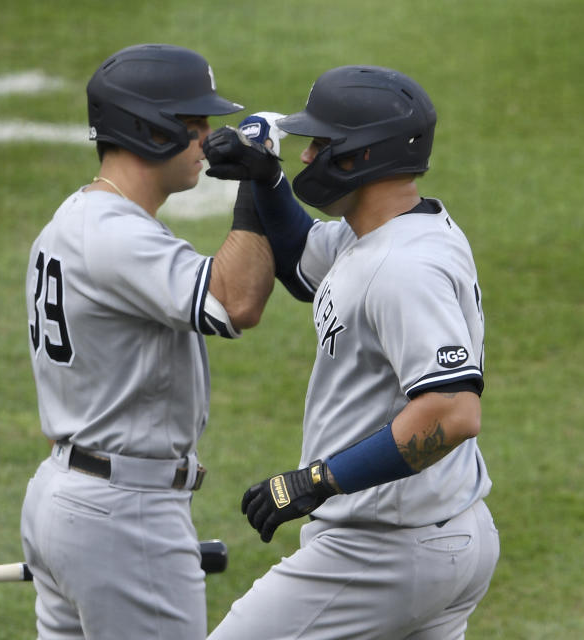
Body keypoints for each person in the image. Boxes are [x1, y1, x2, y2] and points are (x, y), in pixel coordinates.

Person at [202, 65, 500, 639]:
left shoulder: (403, 268)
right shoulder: (382, 234)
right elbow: (298, 265)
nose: (308, 156)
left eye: (320, 143)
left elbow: (453, 412)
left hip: (381, 555)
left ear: (360, 155)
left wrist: (317, 481)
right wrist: (266, 182)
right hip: (445, 535)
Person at [19, 44, 275, 640]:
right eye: (195, 123)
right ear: (148, 128)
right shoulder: (115, 235)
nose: (209, 137)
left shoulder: (75, 220)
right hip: (123, 514)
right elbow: (235, 301)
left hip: (70, 493)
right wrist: (257, 183)